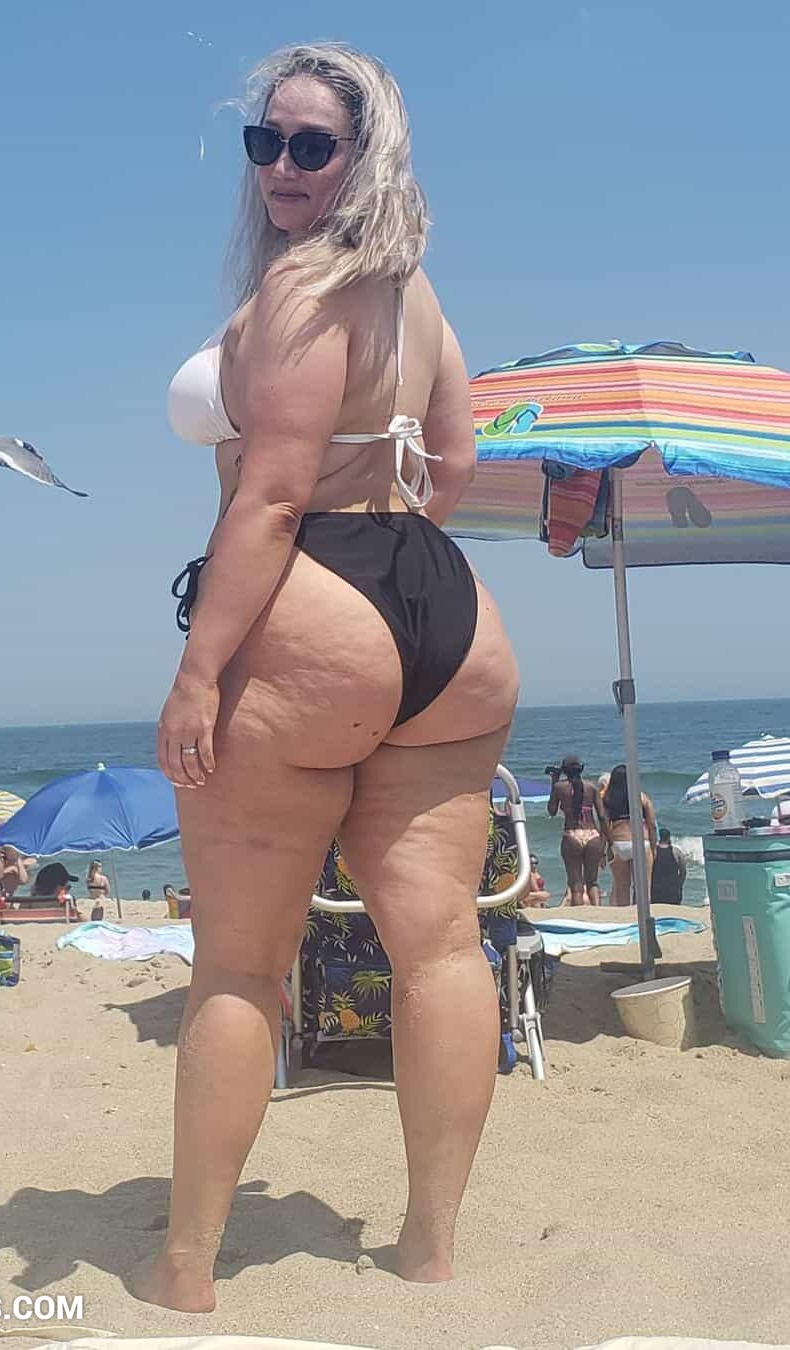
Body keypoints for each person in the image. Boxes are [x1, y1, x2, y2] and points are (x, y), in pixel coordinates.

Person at [147, 42, 519, 1312]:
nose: (284, 168)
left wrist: (199, 673)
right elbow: (456, 459)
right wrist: (392, 558)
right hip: (445, 613)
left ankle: (187, 1270)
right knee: (442, 947)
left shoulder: (304, 286)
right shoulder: (413, 293)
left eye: (314, 146)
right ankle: (430, 1248)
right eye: (268, 143)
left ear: (369, 155)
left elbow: (272, 495)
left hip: (315, 597)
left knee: (240, 967)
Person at [546, 754, 605, 905]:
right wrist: (606, 841)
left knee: (576, 885)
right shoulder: (592, 787)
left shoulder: (559, 787)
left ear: (564, 770)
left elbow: (551, 811)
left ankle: (579, 914)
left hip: (572, 834)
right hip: (593, 834)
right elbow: (602, 816)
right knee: (592, 882)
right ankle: (598, 912)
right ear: (581, 769)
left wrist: (554, 782)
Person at [600, 765, 657, 907]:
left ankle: (625, 915)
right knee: (643, 887)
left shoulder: (607, 799)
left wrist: (604, 850)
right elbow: (652, 825)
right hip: (641, 843)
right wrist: (654, 847)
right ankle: (643, 916)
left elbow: (604, 826)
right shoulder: (641, 797)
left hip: (619, 843)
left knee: (622, 887)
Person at [651, 827, 687, 905]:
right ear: (669, 838)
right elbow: (683, 872)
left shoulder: (653, 852)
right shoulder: (677, 852)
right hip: (673, 892)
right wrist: (679, 885)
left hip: (656, 892)